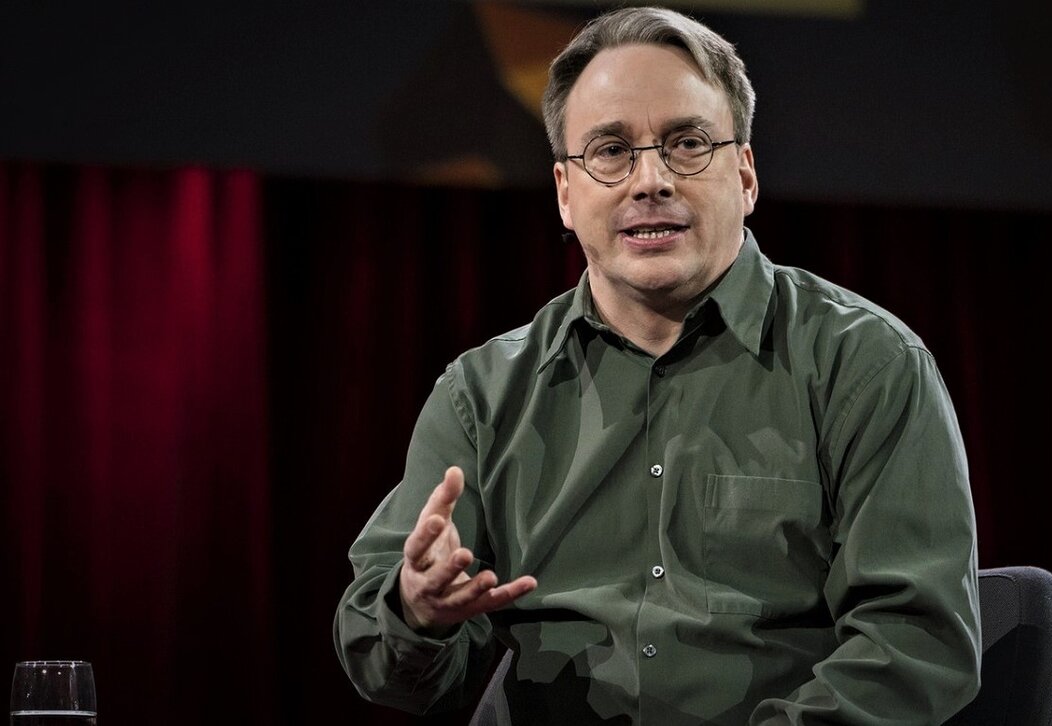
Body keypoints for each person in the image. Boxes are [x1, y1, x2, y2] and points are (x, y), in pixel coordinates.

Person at [334, 6, 981, 724]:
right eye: (611, 151)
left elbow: (915, 645)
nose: (650, 180)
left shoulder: (866, 367)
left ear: (746, 175)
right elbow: (386, 664)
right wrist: (417, 614)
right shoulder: (482, 397)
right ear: (565, 193)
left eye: (688, 144)